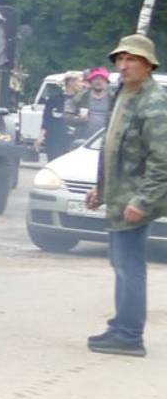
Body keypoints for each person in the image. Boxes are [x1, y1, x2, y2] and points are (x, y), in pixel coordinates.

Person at [85, 35, 167, 356]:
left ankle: (130, 335)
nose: (122, 65)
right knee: (120, 263)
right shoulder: (125, 94)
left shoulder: (154, 103)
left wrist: (143, 201)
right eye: (119, 59)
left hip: (135, 200)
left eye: (130, 59)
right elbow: (113, 146)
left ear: (148, 64)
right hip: (120, 197)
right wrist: (101, 189)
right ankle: (122, 326)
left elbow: (163, 160)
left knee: (130, 266)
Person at [46, 73, 85, 157]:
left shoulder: (83, 100)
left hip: (75, 139)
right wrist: (41, 136)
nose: (82, 84)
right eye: (80, 81)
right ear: (71, 82)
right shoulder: (54, 100)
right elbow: (47, 119)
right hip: (55, 139)